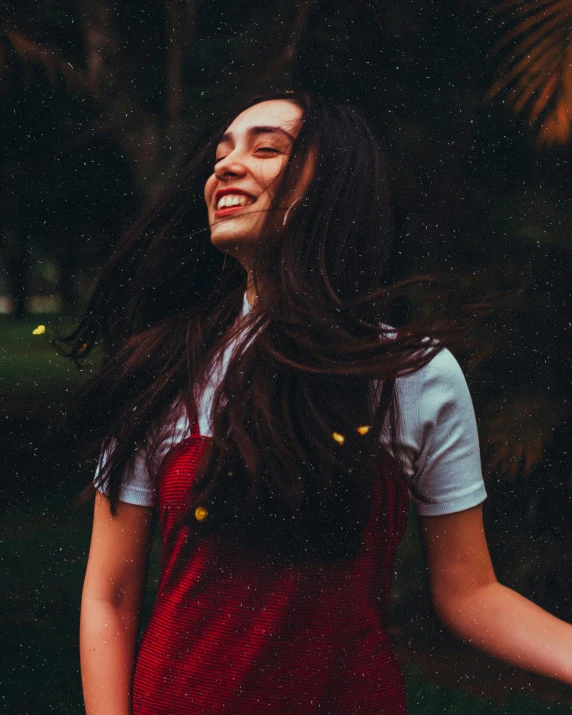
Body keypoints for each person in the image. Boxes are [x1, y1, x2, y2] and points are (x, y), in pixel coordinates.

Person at [66, 89, 572, 715]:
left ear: (333, 186)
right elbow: (110, 596)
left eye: (267, 148)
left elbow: (470, 593)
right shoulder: (164, 369)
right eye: (221, 153)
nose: (224, 166)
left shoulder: (416, 376)